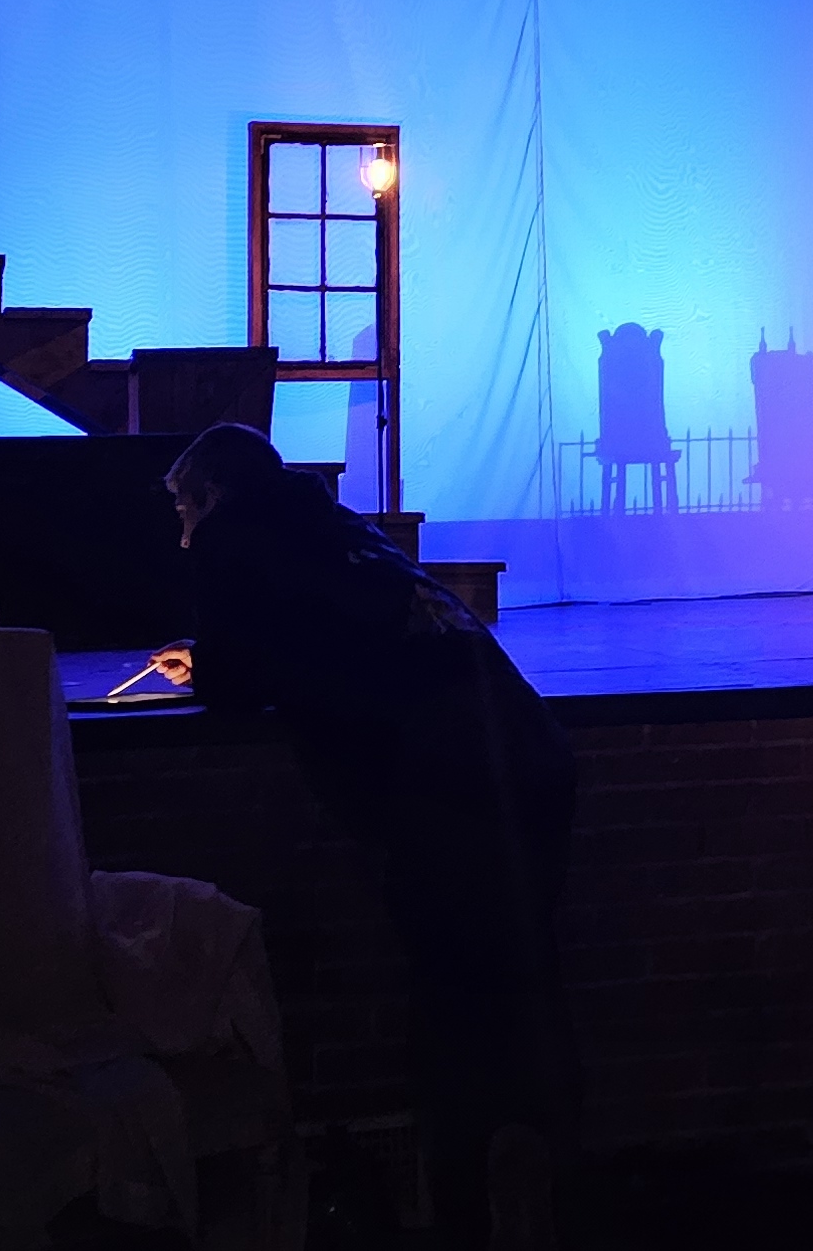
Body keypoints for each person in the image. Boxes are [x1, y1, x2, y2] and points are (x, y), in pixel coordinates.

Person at [149, 424, 575, 1248]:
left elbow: (235, 681)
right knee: (529, 989)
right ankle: (549, 1188)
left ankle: (468, 1209)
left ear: (211, 496)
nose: (181, 532)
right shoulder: (340, 526)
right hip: (529, 758)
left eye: (182, 511)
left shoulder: (232, 538)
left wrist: (201, 662)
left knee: (452, 1007)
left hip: (439, 789)